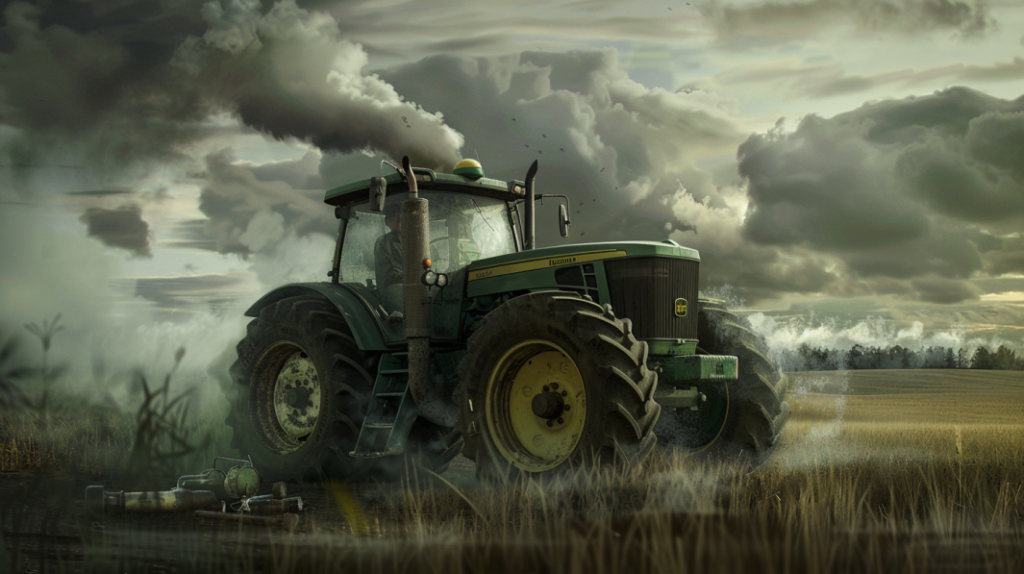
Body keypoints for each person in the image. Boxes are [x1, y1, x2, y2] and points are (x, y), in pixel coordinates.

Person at [374, 203, 404, 312]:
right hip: (395, 294)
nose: (401, 221)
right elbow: (386, 276)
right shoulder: (384, 243)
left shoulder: (416, 241)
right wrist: (412, 277)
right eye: (398, 218)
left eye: (403, 218)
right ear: (387, 222)